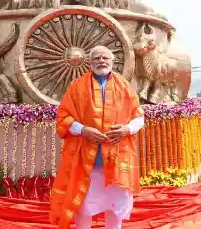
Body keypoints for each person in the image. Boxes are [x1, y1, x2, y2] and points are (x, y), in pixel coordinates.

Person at [49, 46, 145, 229]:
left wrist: (127, 129)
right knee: (84, 207)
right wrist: (83, 130)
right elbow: (63, 116)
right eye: (97, 58)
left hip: (116, 158)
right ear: (90, 63)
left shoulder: (124, 86)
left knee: (115, 207)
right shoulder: (76, 87)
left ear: (112, 61)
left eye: (105, 58)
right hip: (86, 160)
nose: (101, 61)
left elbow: (139, 117)